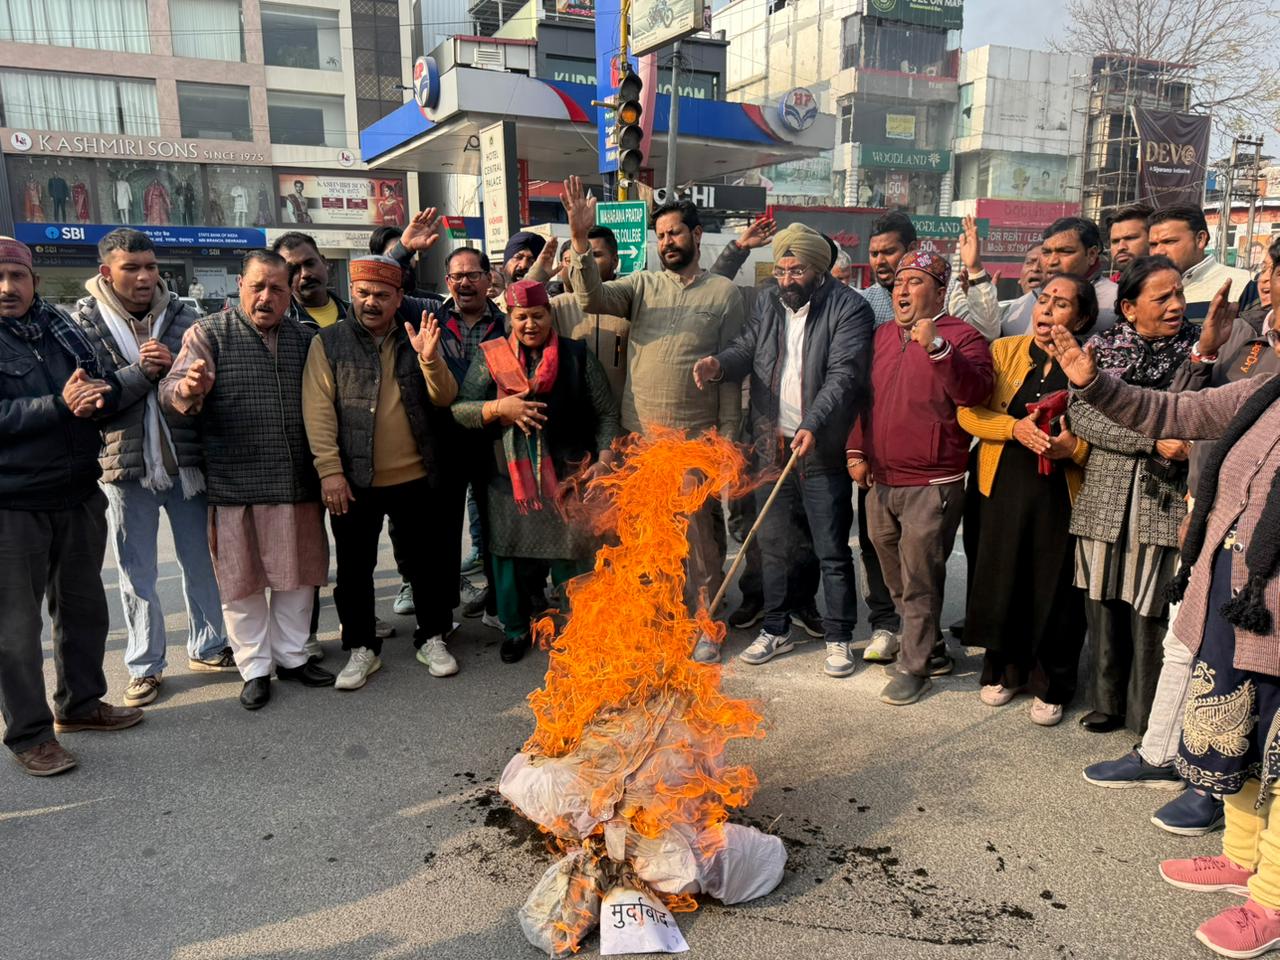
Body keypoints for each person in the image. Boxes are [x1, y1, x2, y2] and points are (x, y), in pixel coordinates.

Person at [1047, 319, 1280, 960]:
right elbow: (1173, 411)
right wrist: (1094, 383)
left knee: (1279, 756)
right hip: (1232, 598)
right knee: (1232, 733)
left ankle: (1273, 900)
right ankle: (1242, 858)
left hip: (1274, 617)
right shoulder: (1264, 390)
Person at [1083, 245, 1280, 835]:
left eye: (1274, 276)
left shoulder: (1254, 349)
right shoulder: (1260, 373)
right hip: (1220, 536)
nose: (1267, 289)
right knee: (1197, 657)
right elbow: (1179, 410)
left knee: (1253, 686)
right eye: (1269, 275)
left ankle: (1233, 816)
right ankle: (1182, 768)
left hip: (1258, 566)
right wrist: (1095, 382)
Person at [561, 176, 744, 626]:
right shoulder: (641, 285)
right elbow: (591, 298)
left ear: (696, 234)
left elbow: (730, 372)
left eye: (674, 233)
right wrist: (580, 241)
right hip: (639, 441)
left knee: (699, 537)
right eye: (660, 236)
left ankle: (704, 618)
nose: (667, 242)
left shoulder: (724, 293)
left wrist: (727, 441)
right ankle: (663, 611)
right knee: (647, 532)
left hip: (693, 443)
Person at [692, 223, 873, 674]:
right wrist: (718, 365)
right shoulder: (769, 303)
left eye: (797, 271)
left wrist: (812, 423)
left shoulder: (849, 308)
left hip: (819, 448)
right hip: (771, 447)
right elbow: (745, 348)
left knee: (830, 547)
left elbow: (844, 376)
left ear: (819, 269)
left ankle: (838, 636)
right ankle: (776, 628)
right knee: (771, 544)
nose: (787, 280)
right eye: (781, 270)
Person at [160, 251, 335, 711]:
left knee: (298, 579)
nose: (265, 297)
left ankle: (293, 657)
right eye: (257, 286)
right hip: (235, 482)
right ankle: (255, 669)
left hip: (296, 481)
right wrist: (187, 388)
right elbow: (170, 389)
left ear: (289, 293)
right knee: (243, 585)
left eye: (277, 288)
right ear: (240, 284)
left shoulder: (306, 339)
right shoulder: (208, 334)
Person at [70, 228, 232, 708]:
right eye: (131, 268)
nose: (144, 277)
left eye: (151, 266)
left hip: (186, 461)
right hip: (124, 465)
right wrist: (142, 373)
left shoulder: (186, 316)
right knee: (136, 572)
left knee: (201, 562)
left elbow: (210, 382)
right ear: (107, 272)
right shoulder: (82, 324)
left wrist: (182, 372)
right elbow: (90, 399)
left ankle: (209, 646)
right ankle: (144, 665)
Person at [0, 237, 144, 776]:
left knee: (84, 610)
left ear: (33, 281)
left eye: (17, 276)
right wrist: (60, 405)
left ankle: (80, 705)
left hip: (78, 492)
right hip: (13, 503)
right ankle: (30, 735)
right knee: (15, 631)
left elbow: (96, 388)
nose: (7, 287)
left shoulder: (61, 328)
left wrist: (116, 386)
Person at [1066, 254, 1212, 736]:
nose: (1176, 305)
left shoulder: (1199, 353)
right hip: (1105, 495)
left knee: (1152, 607)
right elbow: (1083, 416)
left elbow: (1204, 413)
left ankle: (1147, 714)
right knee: (1102, 600)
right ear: (1129, 307)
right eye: (1162, 297)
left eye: (1179, 294)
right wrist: (1151, 439)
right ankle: (1106, 701)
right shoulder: (1101, 348)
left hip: (1165, 496)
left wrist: (1176, 441)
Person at [301, 255, 461, 689]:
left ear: (398, 297)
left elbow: (445, 397)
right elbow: (318, 412)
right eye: (363, 293)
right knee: (355, 570)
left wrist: (430, 359)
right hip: (354, 480)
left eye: (381, 295)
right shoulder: (329, 343)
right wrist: (330, 471)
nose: (371, 302)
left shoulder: (417, 335)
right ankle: (361, 648)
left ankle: (432, 637)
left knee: (426, 565)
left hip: (416, 476)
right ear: (352, 293)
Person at [846, 251, 994, 705]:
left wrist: (937, 348)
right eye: (898, 283)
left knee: (920, 579)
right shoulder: (881, 336)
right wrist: (856, 448)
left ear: (940, 290)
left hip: (932, 484)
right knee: (896, 577)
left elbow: (976, 392)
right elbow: (864, 398)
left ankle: (914, 668)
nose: (902, 290)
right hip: (881, 480)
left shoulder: (964, 337)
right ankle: (930, 647)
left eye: (914, 282)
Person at [450, 279, 620, 663]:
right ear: (510, 318)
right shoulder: (491, 356)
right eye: (521, 317)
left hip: (568, 476)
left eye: (537, 315)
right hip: (509, 482)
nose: (530, 324)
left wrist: (605, 459)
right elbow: (460, 409)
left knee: (574, 555)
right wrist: (499, 409)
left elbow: (606, 413)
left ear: (550, 314)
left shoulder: (576, 356)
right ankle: (515, 629)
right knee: (508, 558)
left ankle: (580, 626)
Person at [956, 275, 1096, 726]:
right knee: (1001, 577)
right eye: (1043, 300)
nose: (1047, 310)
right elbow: (968, 411)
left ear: (1082, 318)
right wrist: (1013, 428)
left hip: (1059, 493)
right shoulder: (1004, 351)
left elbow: (1105, 436)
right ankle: (1004, 670)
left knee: (1055, 588)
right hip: (1000, 485)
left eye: (1061, 304)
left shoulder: (1093, 364)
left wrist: (1072, 450)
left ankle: (1052, 683)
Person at [422, 244, 508, 628]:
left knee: (496, 530)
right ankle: (441, 618)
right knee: (442, 532)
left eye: (473, 274)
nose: (465, 283)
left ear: (489, 280)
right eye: (457, 276)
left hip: (493, 440)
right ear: (447, 281)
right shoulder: (433, 320)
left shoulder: (507, 324)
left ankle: (498, 607)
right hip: (444, 440)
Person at [957, 215, 1118, 338]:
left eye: (1065, 252)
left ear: (1091, 254)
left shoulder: (1116, 302)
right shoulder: (1019, 306)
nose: (1052, 261)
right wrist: (975, 270)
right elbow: (990, 339)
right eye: (1046, 252)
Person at [527, 224, 630, 404]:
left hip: (622, 413)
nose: (585, 262)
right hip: (572, 413)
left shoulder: (630, 302)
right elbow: (513, 324)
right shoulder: (558, 306)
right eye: (579, 256)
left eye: (594, 255)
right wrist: (536, 279)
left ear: (615, 261)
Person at [1147, 205, 1252, 323]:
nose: (1158, 252)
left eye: (1169, 241)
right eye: (1153, 245)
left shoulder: (1243, 284)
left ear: (1200, 239)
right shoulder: (1143, 289)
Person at [859, 212, 916, 329]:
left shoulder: (943, 297)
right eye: (874, 254)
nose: (879, 261)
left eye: (889, 252)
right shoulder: (863, 302)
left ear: (912, 249)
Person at [1106, 204, 1151, 279]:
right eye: (1115, 241)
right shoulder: (1105, 286)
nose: (1120, 247)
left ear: (1152, 239)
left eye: (1130, 238)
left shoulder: (1171, 283)